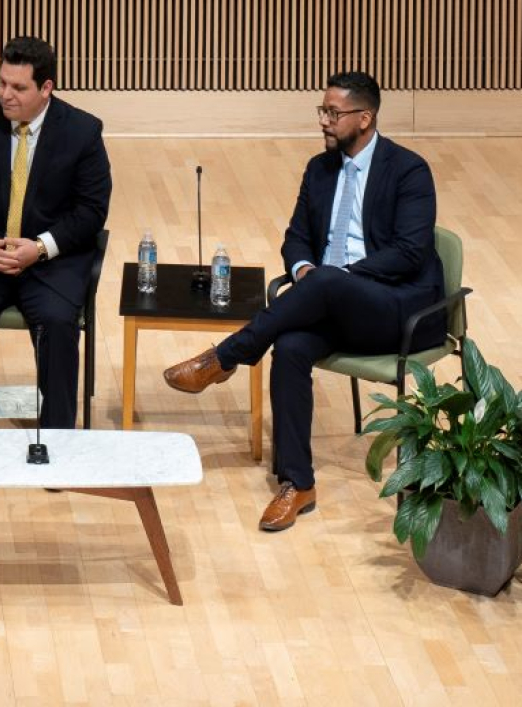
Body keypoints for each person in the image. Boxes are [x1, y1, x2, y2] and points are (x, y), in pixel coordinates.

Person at [163, 72, 445, 532]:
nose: (324, 122)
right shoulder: (319, 169)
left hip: (395, 309)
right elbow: (296, 238)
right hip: (332, 302)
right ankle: (298, 483)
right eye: (323, 111)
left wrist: (337, 279)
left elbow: (409, 252)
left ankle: (225, 357)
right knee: (291, 348)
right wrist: (303, 272)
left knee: (328, 282)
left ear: (365, 117)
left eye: (333, 114)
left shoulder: (409, 170)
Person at [0, 36, 112, 430]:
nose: (5, 95)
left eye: (18, 87)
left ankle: (57, 431)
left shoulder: (82, 131)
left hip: (52, 259)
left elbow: (91, 211)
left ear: (46, 88)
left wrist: (40, 248)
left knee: (56, 320)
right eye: (1, 83)